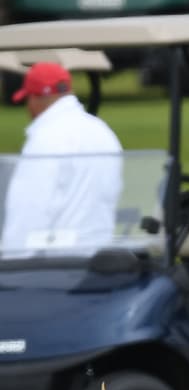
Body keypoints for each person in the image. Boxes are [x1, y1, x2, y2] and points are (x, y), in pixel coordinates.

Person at [1, 61, 123, 255]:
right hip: (100, 259)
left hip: (57, 267)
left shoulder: (45, 139)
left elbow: (29, 209)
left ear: (34, 98)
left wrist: (10, 262)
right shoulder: (102, 131)